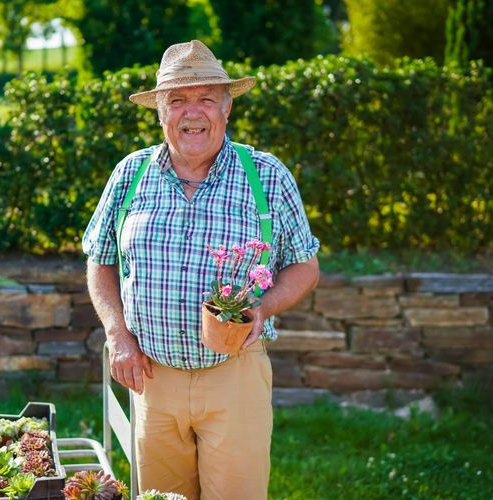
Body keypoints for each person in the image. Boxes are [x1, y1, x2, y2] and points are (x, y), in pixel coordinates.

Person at [82, 40, 320, 500]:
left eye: (206, 98)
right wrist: (117, 334)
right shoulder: (130, 175)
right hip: (152, 379)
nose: (193, 112)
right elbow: (100, 258)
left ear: (227, 108)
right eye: (178, 100)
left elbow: (305, 267)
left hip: (235, 377)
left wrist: (262, 306)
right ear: (159, 112)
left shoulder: (266, 176)